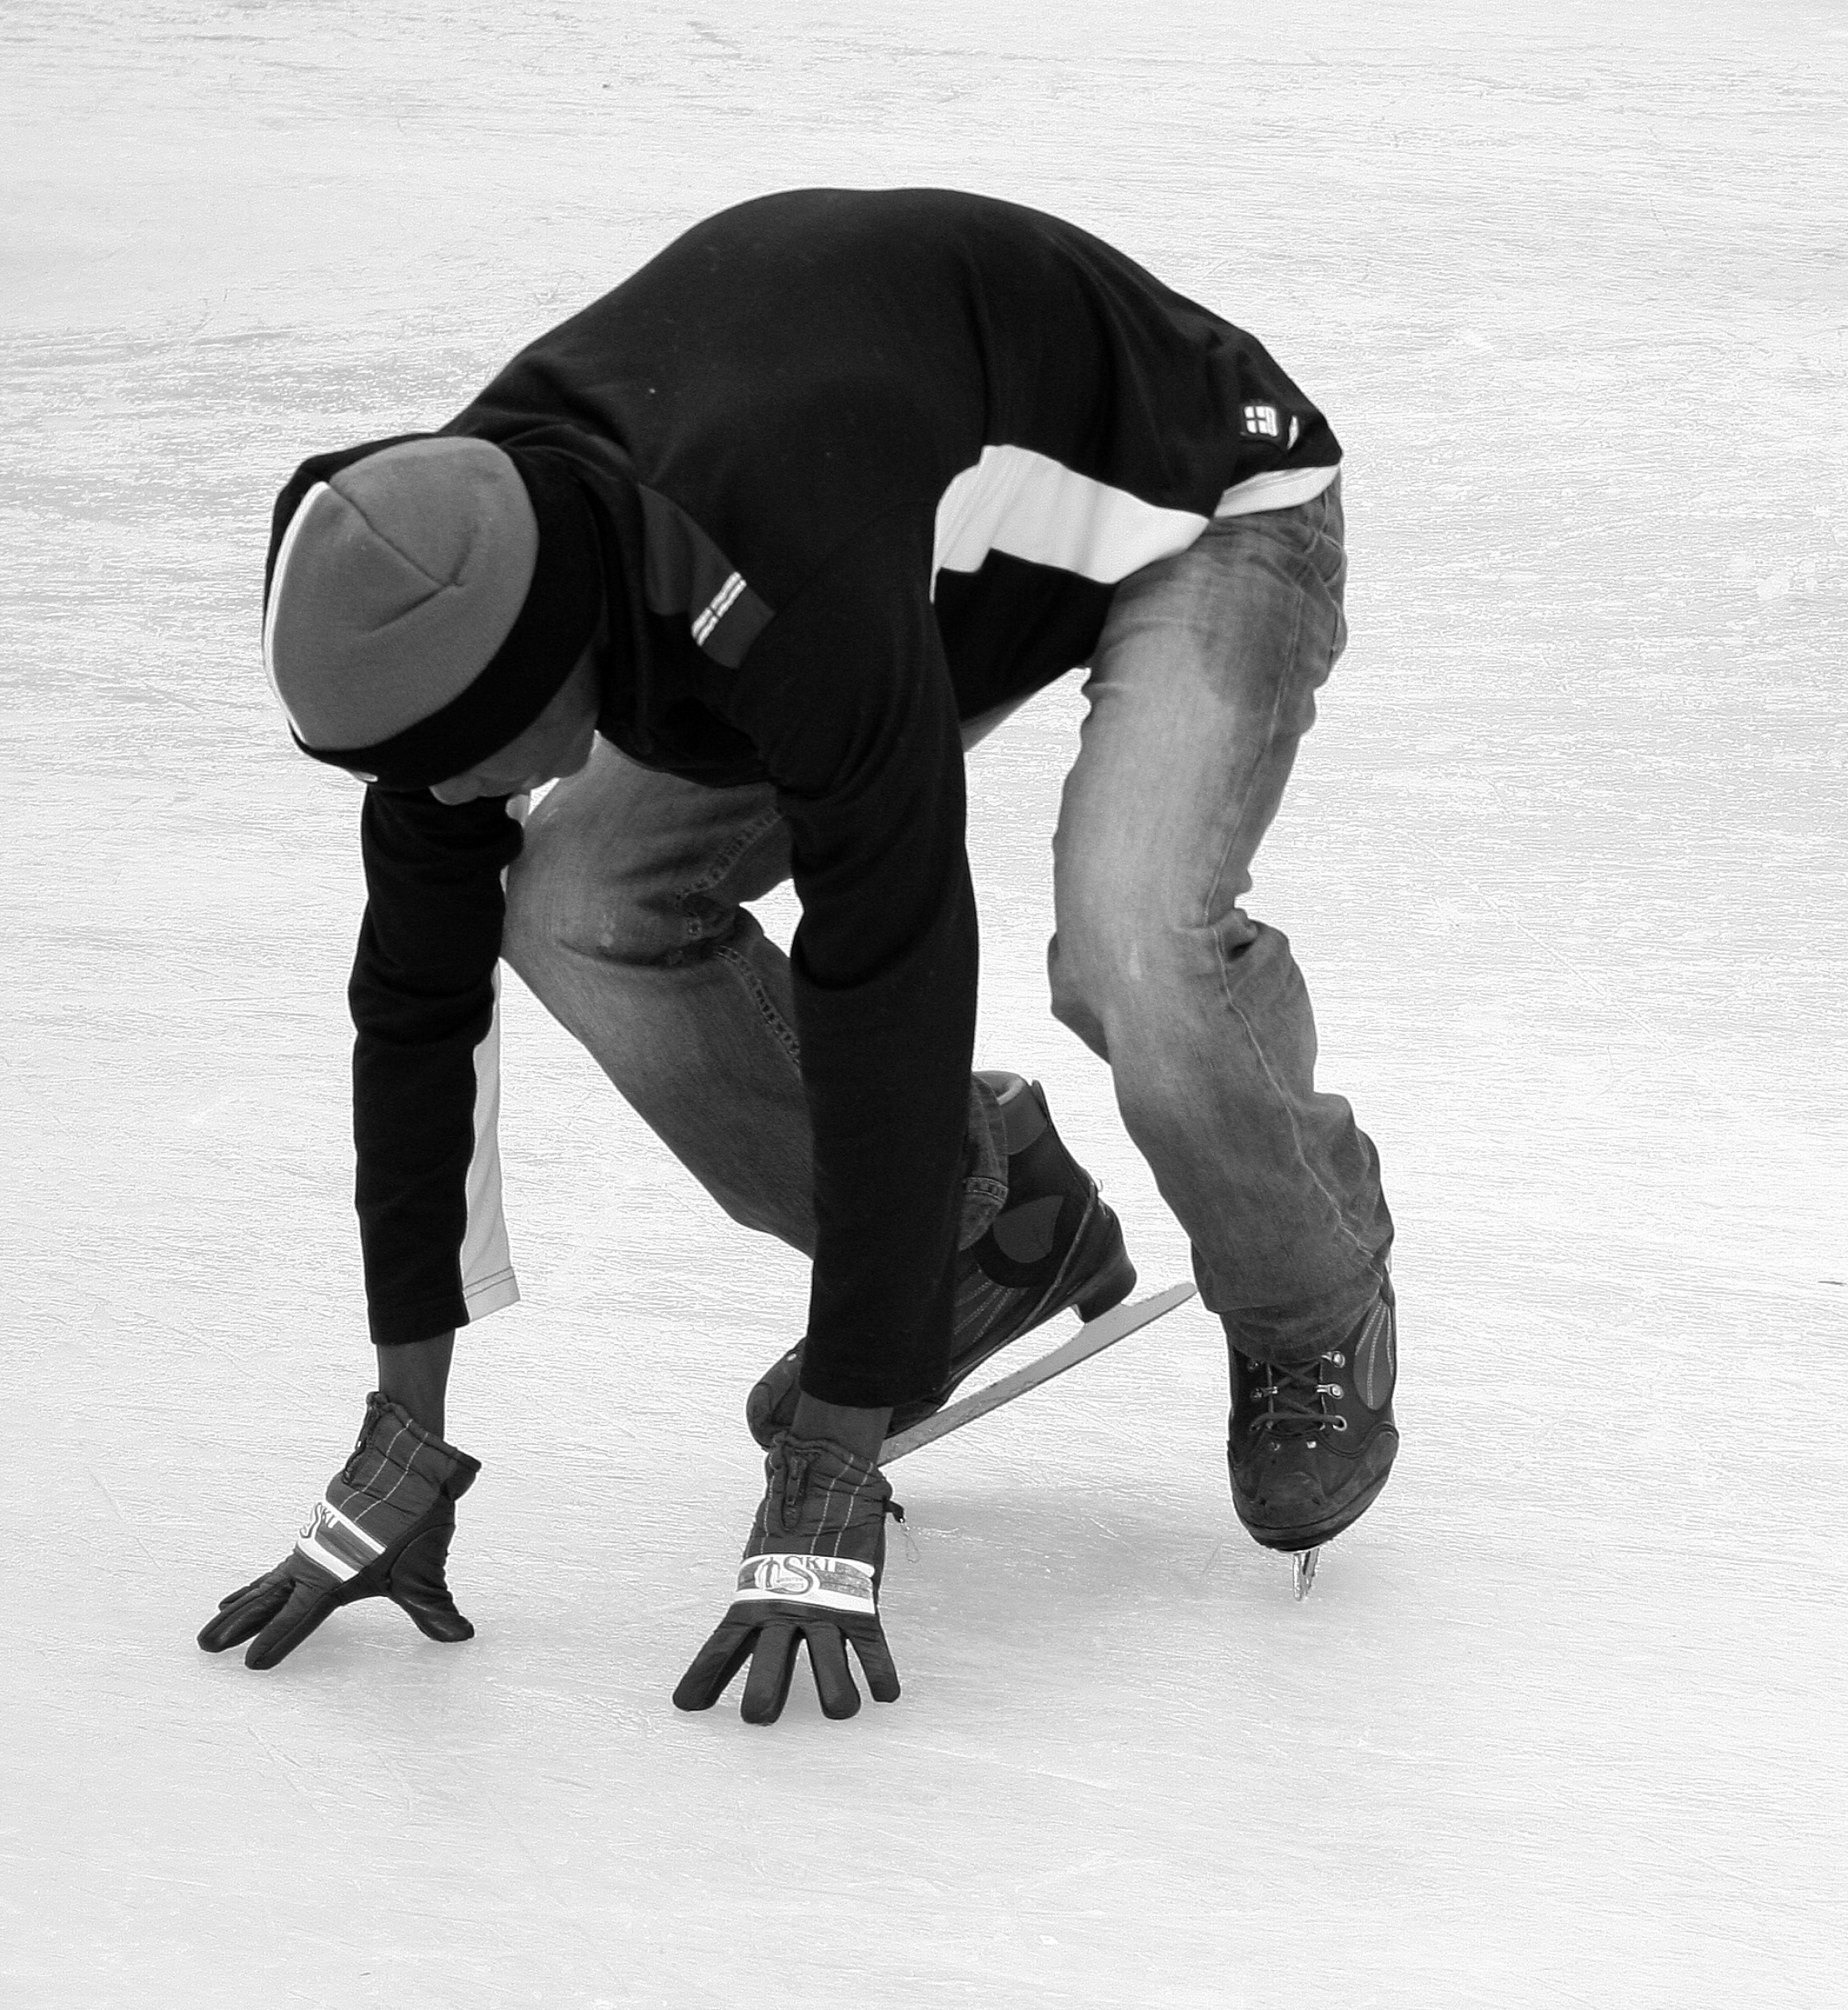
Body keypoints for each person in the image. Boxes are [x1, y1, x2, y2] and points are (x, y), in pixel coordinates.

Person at [196, 188, 1397, 1723]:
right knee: (576, 905)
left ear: (559, 657)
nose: (448, 801)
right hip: (924, 551)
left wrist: (835, 1442)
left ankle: (1310, 1292)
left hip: (1201, 508)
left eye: (471, 764)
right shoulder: (444, 578)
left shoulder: (782, 581)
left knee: (1126, 948)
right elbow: (418, 1013)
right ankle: (988, 1233)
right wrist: (405, 1422)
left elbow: (886, 971)